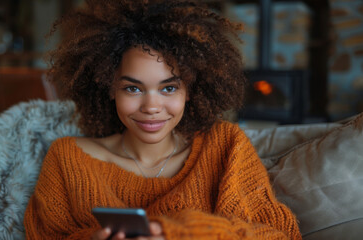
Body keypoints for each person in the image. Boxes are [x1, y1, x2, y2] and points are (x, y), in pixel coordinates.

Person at [24, 0, 302, 239]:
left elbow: (279, 235)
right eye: (133, 88)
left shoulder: (225, 146)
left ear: (190, 89)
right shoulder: (67, 159)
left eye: (169, 88)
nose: (152, 107)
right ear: (109, 88)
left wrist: (181, 232)